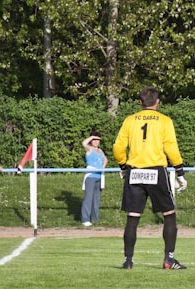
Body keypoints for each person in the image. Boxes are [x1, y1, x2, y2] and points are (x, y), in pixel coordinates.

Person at [113, 86, 188, 270]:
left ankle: (128, 261)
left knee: (133, 217)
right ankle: (169, 259)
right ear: (158, 102)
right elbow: (171, 147)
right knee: (169, 215)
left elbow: (118, 147)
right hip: (156, 170)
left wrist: (123, 166)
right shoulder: (164, 120)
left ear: (140, 102)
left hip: (134, 171)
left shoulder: (130, 120)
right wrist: (179, 171)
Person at [80, 130, 108, 226]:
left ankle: (95, 218)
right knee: (88, 198)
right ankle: (85, 219)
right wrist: (92, 136)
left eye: (97, 140)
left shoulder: (100, 151)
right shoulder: (89, 149)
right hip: (91, 176)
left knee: (96, 199)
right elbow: (84, 143)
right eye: (94, 140)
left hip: (99, 176)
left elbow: (105, 159)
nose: (96, 142)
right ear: (91, 141)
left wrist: (102, 168)